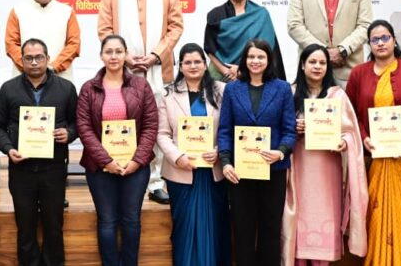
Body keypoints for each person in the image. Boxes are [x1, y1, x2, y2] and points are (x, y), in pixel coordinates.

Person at [98, 0, 183, 205]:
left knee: (156, 125)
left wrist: (156, 55)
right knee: (124, 122)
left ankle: (156, 182)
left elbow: (176, 27)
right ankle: (121, 171)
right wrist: (125, 58)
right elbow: (104, 28)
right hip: (122, 71)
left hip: (158, 68)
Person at [346, 20, 401, 266]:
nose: (381, 43)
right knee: (376, 215)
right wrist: (364, 137)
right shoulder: (358, 74)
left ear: (394, 40)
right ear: (369, 44)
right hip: (374, 161)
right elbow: (350, 113)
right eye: (375, 39)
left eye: (385, 37)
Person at [0, 38, 78, 266]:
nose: (33, 62)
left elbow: (77, 123)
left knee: (54, 227)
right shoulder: (9, 89)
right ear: (21, 60)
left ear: (47, 59)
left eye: (38, 57)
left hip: (53, 169)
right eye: (28, 58)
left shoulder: (66, 88)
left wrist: (69, 133)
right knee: (25, 227)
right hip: (21, 170)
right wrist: (8, 149)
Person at [281, 44, 368, 266]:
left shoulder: (337, 95)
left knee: (324, 216)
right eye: (312, 62)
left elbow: (351, 134)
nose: (317, 66)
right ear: (302, 65)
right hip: (299, 167)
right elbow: (277, 129)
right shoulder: (289, 93)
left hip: (327, 170)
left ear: (328, 67)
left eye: (322, 62)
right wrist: (293, 128)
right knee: (299, 217)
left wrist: (343, 142)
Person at [76, 35, 158, 266]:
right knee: (107, 221)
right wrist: (106, 161)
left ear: (126, 55)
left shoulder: (141, 85)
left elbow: (151, 125)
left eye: (119, 51)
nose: (113, 56)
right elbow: (84, 128)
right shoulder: (89, 88)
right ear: (101, 55)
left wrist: (137, 160)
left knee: (131, 221)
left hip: (135, 167)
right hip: (99, 167)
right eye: (109, 52)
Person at [217, 39, 297, 266]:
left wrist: (281, 152)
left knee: (270, 231)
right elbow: (225, 130)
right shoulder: (232, 89)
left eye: (261, 57)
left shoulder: (282, 88)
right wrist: (225, 162)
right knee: (242, 231)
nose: (255, 61)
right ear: (244, 60)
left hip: (273, 170)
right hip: (240, 173)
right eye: (251, 57)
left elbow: (289, 130)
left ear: (269, 60)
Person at [156, 43, 230, 266]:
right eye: (187, 62)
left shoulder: (222, 91)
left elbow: (229, 128)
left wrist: (219, 151)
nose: (193, 66)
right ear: (180, 66)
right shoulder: (167, 94)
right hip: (181, 173)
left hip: (213, 172)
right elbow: (162, 134)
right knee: (184, 227)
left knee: (215, 225)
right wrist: (177, 157)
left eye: (197, 61)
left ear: (205, 65)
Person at [204, 0, 286, 82]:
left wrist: (242, 71)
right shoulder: (215, 15)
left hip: (255, 73)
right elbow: (210, 48)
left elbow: (268, 49)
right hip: (223, 74)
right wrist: (226, 71)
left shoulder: (261, 14)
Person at [5, 0, 81, 81]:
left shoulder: (67, 12)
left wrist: (52, 68)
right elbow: (11, 44)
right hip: (24, 80)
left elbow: (74, 45)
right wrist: (31, 68)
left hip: (60, 79)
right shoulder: (17, 11)